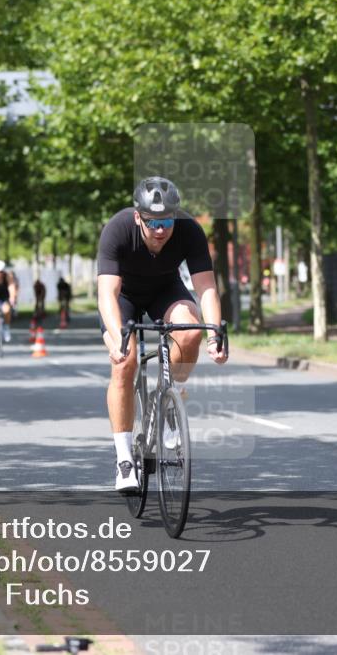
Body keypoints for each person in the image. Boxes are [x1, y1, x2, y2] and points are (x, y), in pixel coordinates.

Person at [97, 176, 227, 493]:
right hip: (123, 297)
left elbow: (206, 287)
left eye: (167, 221)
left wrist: (215, 334)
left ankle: (169, 396)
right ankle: (125, 459)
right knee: (124, 364)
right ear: (139, 216)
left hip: (165, 291)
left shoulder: (190, 230)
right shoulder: (118, 228)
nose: (160, 230)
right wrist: (118, 339)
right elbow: (106, 295)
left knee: (190, 331)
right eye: (153, 222)